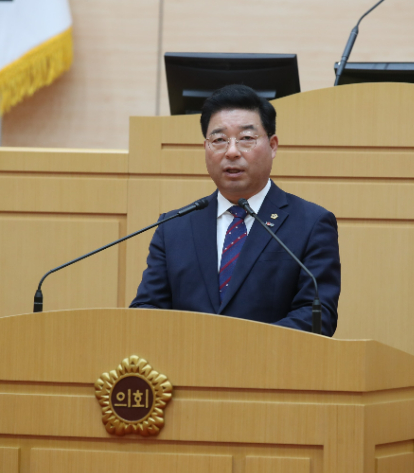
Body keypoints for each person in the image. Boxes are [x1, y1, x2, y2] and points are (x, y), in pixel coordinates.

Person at [130, 84, 341, 336]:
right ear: (206, 148)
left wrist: (238, 350)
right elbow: (147, 309)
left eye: (246, 139)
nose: (231, 151)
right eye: (219, 140)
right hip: (185, 369)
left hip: (270, 370)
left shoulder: (311, 224)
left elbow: (317, 315)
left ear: (273, 145)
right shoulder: (173, 227)